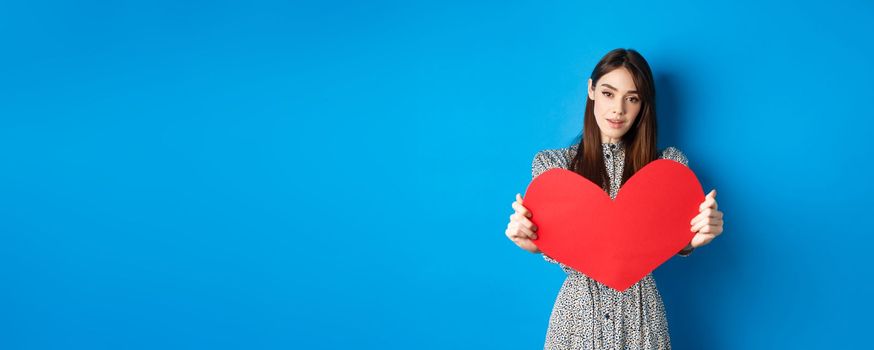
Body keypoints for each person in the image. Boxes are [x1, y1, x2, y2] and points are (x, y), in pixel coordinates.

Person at [504, 48, 725, 349]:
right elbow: (559, 245)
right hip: (576, 322)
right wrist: (532, 240)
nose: (618, 109)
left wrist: (694, 237)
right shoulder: (553, 168)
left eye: (632, 98)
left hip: (642, 323)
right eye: (608, 93)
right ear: (591, 90)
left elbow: (668, 238)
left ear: (643, 105)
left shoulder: (668, 169)